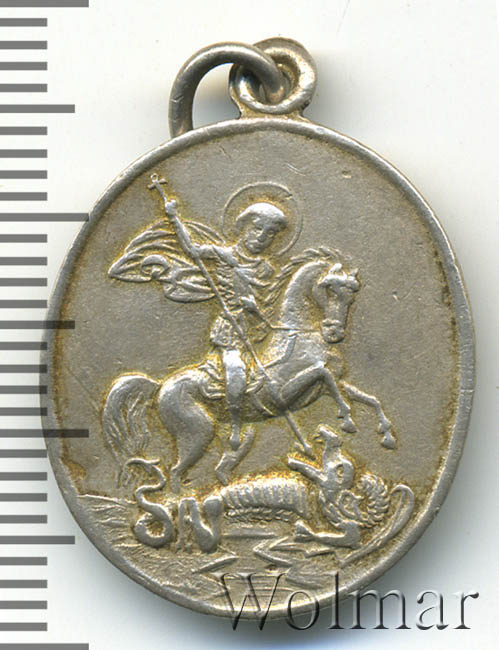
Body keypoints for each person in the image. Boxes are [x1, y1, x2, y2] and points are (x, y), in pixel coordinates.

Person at [164, 198, 288, 450]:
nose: (261, 237)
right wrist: (174, 217)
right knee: (235, 368)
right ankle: (235, 425)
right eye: (257, 228)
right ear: (243, 227)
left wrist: (255, 309)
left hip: (256, 329)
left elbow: (269, 306)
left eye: (270, 234)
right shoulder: (225, 255)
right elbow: (192, 250)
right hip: (230, 328)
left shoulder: (266, 269)